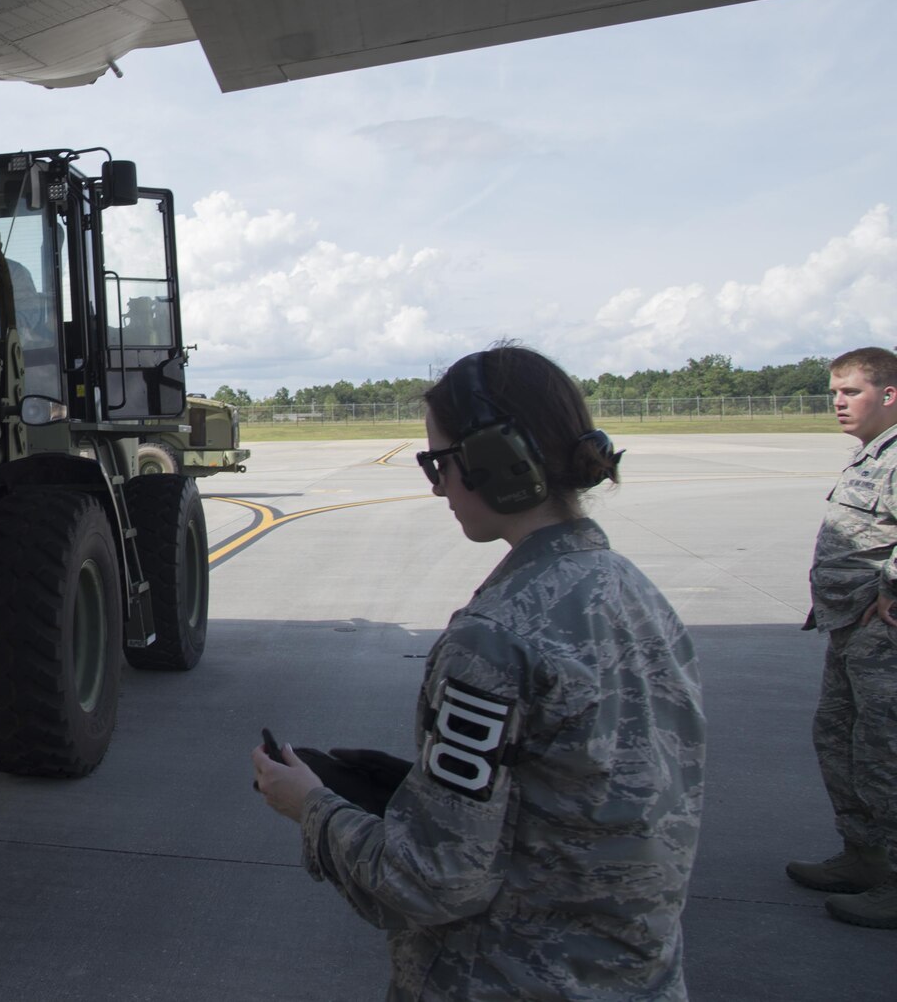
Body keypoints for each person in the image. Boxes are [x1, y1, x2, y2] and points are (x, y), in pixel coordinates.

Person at [252, 345, 705, 1000]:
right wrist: (419, 791)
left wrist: (313, 808)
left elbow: (433, 881)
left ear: (496, 463)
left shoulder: (493, 639)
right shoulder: (636, 594)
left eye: (440, 463)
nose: (437, 488)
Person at [785, 346, 897, 928]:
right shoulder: (869, 457)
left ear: (889, 394)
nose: (838, 402)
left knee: (886, 752)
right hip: (848, 627)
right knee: (840, 740)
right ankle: (864, 856)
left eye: (850, 392)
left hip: (884, 636)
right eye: (834, 392)